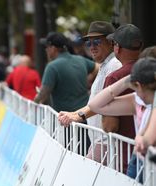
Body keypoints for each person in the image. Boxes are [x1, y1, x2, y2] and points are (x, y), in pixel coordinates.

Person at [59, 23, 141, 169]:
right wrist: (76, 114)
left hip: (109, 143)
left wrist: (78, 116)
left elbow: (107, 117)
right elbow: (98, 102)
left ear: (114, 45)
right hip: (114, 144)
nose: (92, 46)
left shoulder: (114, 69)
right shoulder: (107, 65)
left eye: (96, 42)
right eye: (88, 43)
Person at [88, 57, 156, 180]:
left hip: (148, 164)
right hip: (141, 162)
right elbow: (94, 105)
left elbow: (147, 140)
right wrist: (126, 81)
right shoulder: (137, 100)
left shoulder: (138, 101)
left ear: (138, 85)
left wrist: (125, 81)